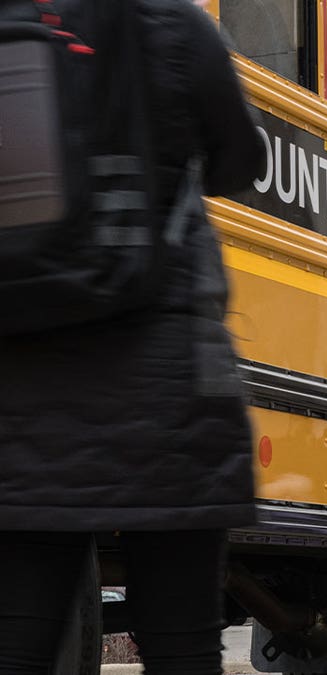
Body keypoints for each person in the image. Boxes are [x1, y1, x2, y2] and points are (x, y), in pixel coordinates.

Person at [0, 1, 263, 674]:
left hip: (23, 399)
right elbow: (239, 161)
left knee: (15, 646)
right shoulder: (172, 25)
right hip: (170, 394)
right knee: (183, 646)